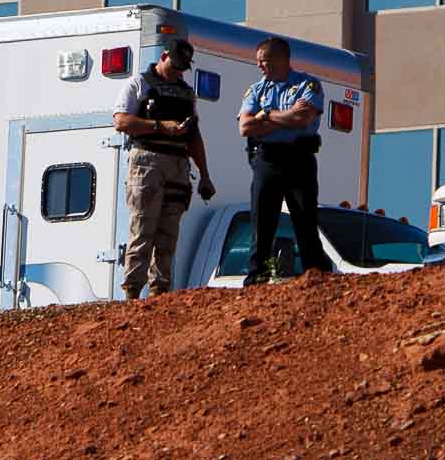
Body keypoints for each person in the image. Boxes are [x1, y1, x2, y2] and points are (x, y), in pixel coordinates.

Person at [112, 37, 216, 298]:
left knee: (168, 232)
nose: (178, 71)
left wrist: (205, 175)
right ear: (163, 57)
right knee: (143, 227)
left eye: (183, 67)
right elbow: (121, 121)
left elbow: (194, 136)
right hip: (147, 160)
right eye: (175, 64)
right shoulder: (140, 84)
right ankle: (132, 291)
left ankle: (160, 290)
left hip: (178, 164)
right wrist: (160, 126)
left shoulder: (185, 93)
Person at [237, 36, 330, 284]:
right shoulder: (257, 89)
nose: (260, 67)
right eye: (258, 62)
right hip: (267, 159)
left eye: (264, 61)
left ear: (281, 59)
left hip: (299, 158)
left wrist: (265, 115)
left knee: (304, 218)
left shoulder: (307, 85)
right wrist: (283, 119)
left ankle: (315, 272)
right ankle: (257, 276)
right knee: (262, 220)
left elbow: (302, 119)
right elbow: (245, 127)